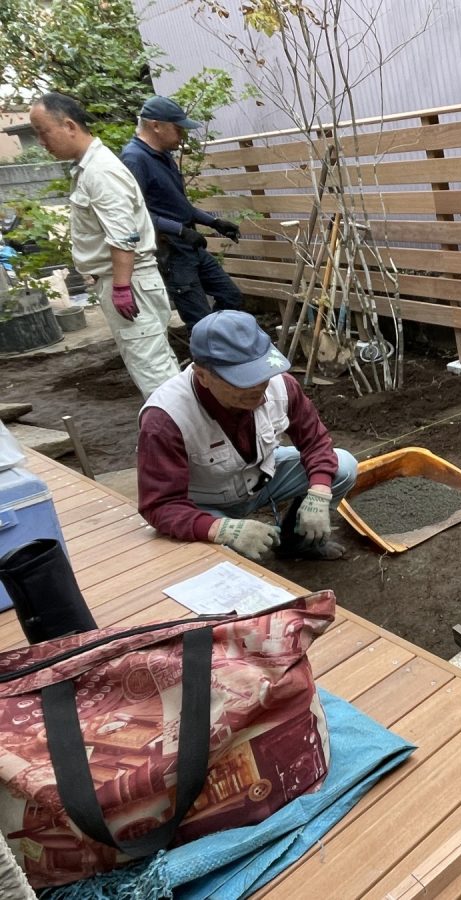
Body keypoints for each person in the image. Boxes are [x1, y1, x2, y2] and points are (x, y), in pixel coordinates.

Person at [137, 310, 358, 562]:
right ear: (202, 375)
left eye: (261, 374)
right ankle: (224, 539)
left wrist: (318, 493)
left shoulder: (281, 384)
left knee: (343, 466)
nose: (259, 388)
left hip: (262, 480)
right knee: (230, 562)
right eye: (242, 380)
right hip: (205, 505)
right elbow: (159, 505)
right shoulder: (166, 419)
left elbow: (315, 442)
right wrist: (220, 529)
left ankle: (298, 543)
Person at [28, 92, 180, 397]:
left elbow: (123, 235)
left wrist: (121, 288)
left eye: (43, 132)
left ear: (69, 126)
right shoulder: (89, 167)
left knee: (154, 373)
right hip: (125, 281)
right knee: (154, 364)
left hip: (129, 283)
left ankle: (183, 440)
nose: (42, 143)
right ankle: (185, 437)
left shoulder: (101, 171)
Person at [120, 96, 243, 333]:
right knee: (200, 322)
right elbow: (136, 215)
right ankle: (208, 361)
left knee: (230, 297)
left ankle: (222, 348)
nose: (182, 135)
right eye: (178, 128)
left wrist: (214, 222)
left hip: (190, 246)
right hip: (172, 252)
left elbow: (177, 205)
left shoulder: (164, 156)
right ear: (156, 126)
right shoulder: (135, 159)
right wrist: (178, 230)